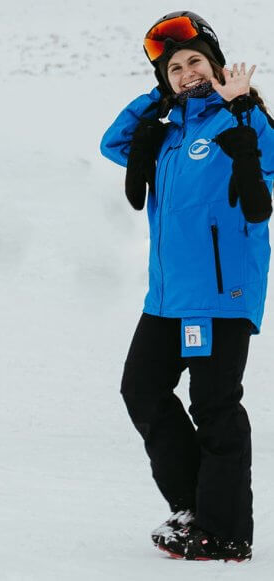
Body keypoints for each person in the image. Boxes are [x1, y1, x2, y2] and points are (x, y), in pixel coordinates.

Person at [100, 11, 274, 561]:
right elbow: (114, 142)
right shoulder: (169, 133)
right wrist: (160, 101)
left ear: (216, 63)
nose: (185, 73)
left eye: (194, 60)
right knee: (142, 390)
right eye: (174, 68)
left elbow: (270, 164)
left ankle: (226, 533)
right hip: (168, 297)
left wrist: (242, 103)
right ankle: (195, 506)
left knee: (216, 407)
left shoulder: (237, 124)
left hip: (221, 296)